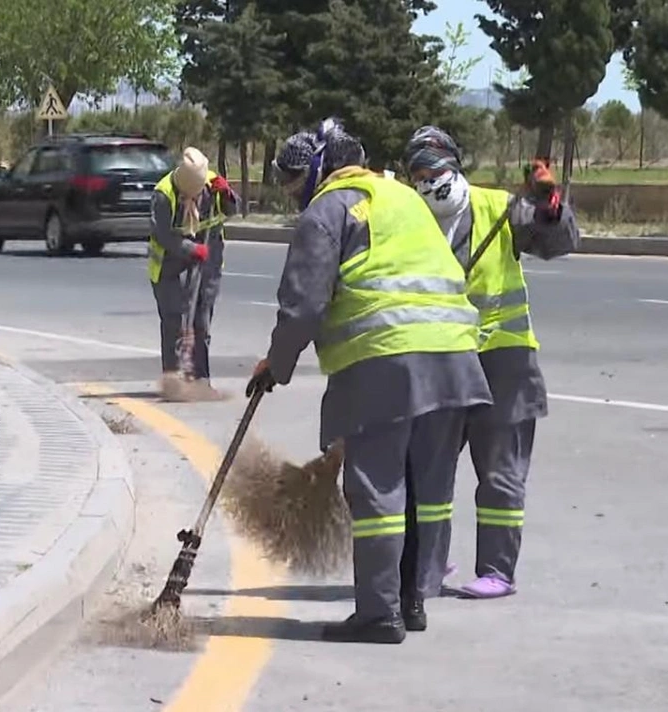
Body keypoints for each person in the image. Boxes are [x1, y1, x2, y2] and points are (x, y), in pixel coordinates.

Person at [246, 119, 492, 644]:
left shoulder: (328, 209)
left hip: (388, 362)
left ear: (318, 170)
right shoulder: (401, 197)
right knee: (424, 488)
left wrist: (276, 363)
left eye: (294, 185)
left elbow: (304, 304)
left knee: (376, 490)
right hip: (453, 359)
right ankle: (412, 601)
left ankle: (379, 615)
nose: (294, 197)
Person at [401, 126, 580, 599]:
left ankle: (497, 570)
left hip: (504, 361)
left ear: (454, 167)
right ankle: (427, 568)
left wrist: (549, 204)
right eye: (417, 174)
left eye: (433, 171)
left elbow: (558, 241)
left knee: (500, 471)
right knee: (429, 470)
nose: (426, 182)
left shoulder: (499, 208)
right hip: (440, 361)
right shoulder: (409, 218)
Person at [148, 147, 238, 400]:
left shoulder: (210, 185)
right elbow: (162, 235)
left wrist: (228, 195)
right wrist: (190, 248)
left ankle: (201, 379)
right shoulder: (164, 194)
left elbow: (231, 211)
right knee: (174, 321)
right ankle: (173, 381)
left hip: (207, 264)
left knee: (202, 323)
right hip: (169, 267)